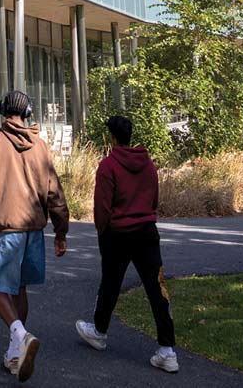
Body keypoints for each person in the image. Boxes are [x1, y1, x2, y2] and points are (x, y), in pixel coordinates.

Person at [0, 89, 69, 382]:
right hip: (34, 230)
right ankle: (16, 352)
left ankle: (20, 335)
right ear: (28, 113)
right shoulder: (40, 146)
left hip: (6, 228)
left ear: (3, 110)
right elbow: (55, 193)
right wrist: (61, 232)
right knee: (20, 287)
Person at [74, 115, 178, 373]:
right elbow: (154, 197)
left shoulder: (108, 166)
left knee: (110, 283)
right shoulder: (148, 164)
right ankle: (167, 350)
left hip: (117, 233)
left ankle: (99, 331)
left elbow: (102, 206)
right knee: (157, 288)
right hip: (146, 231)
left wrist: (102, 230)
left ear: (112, 137)